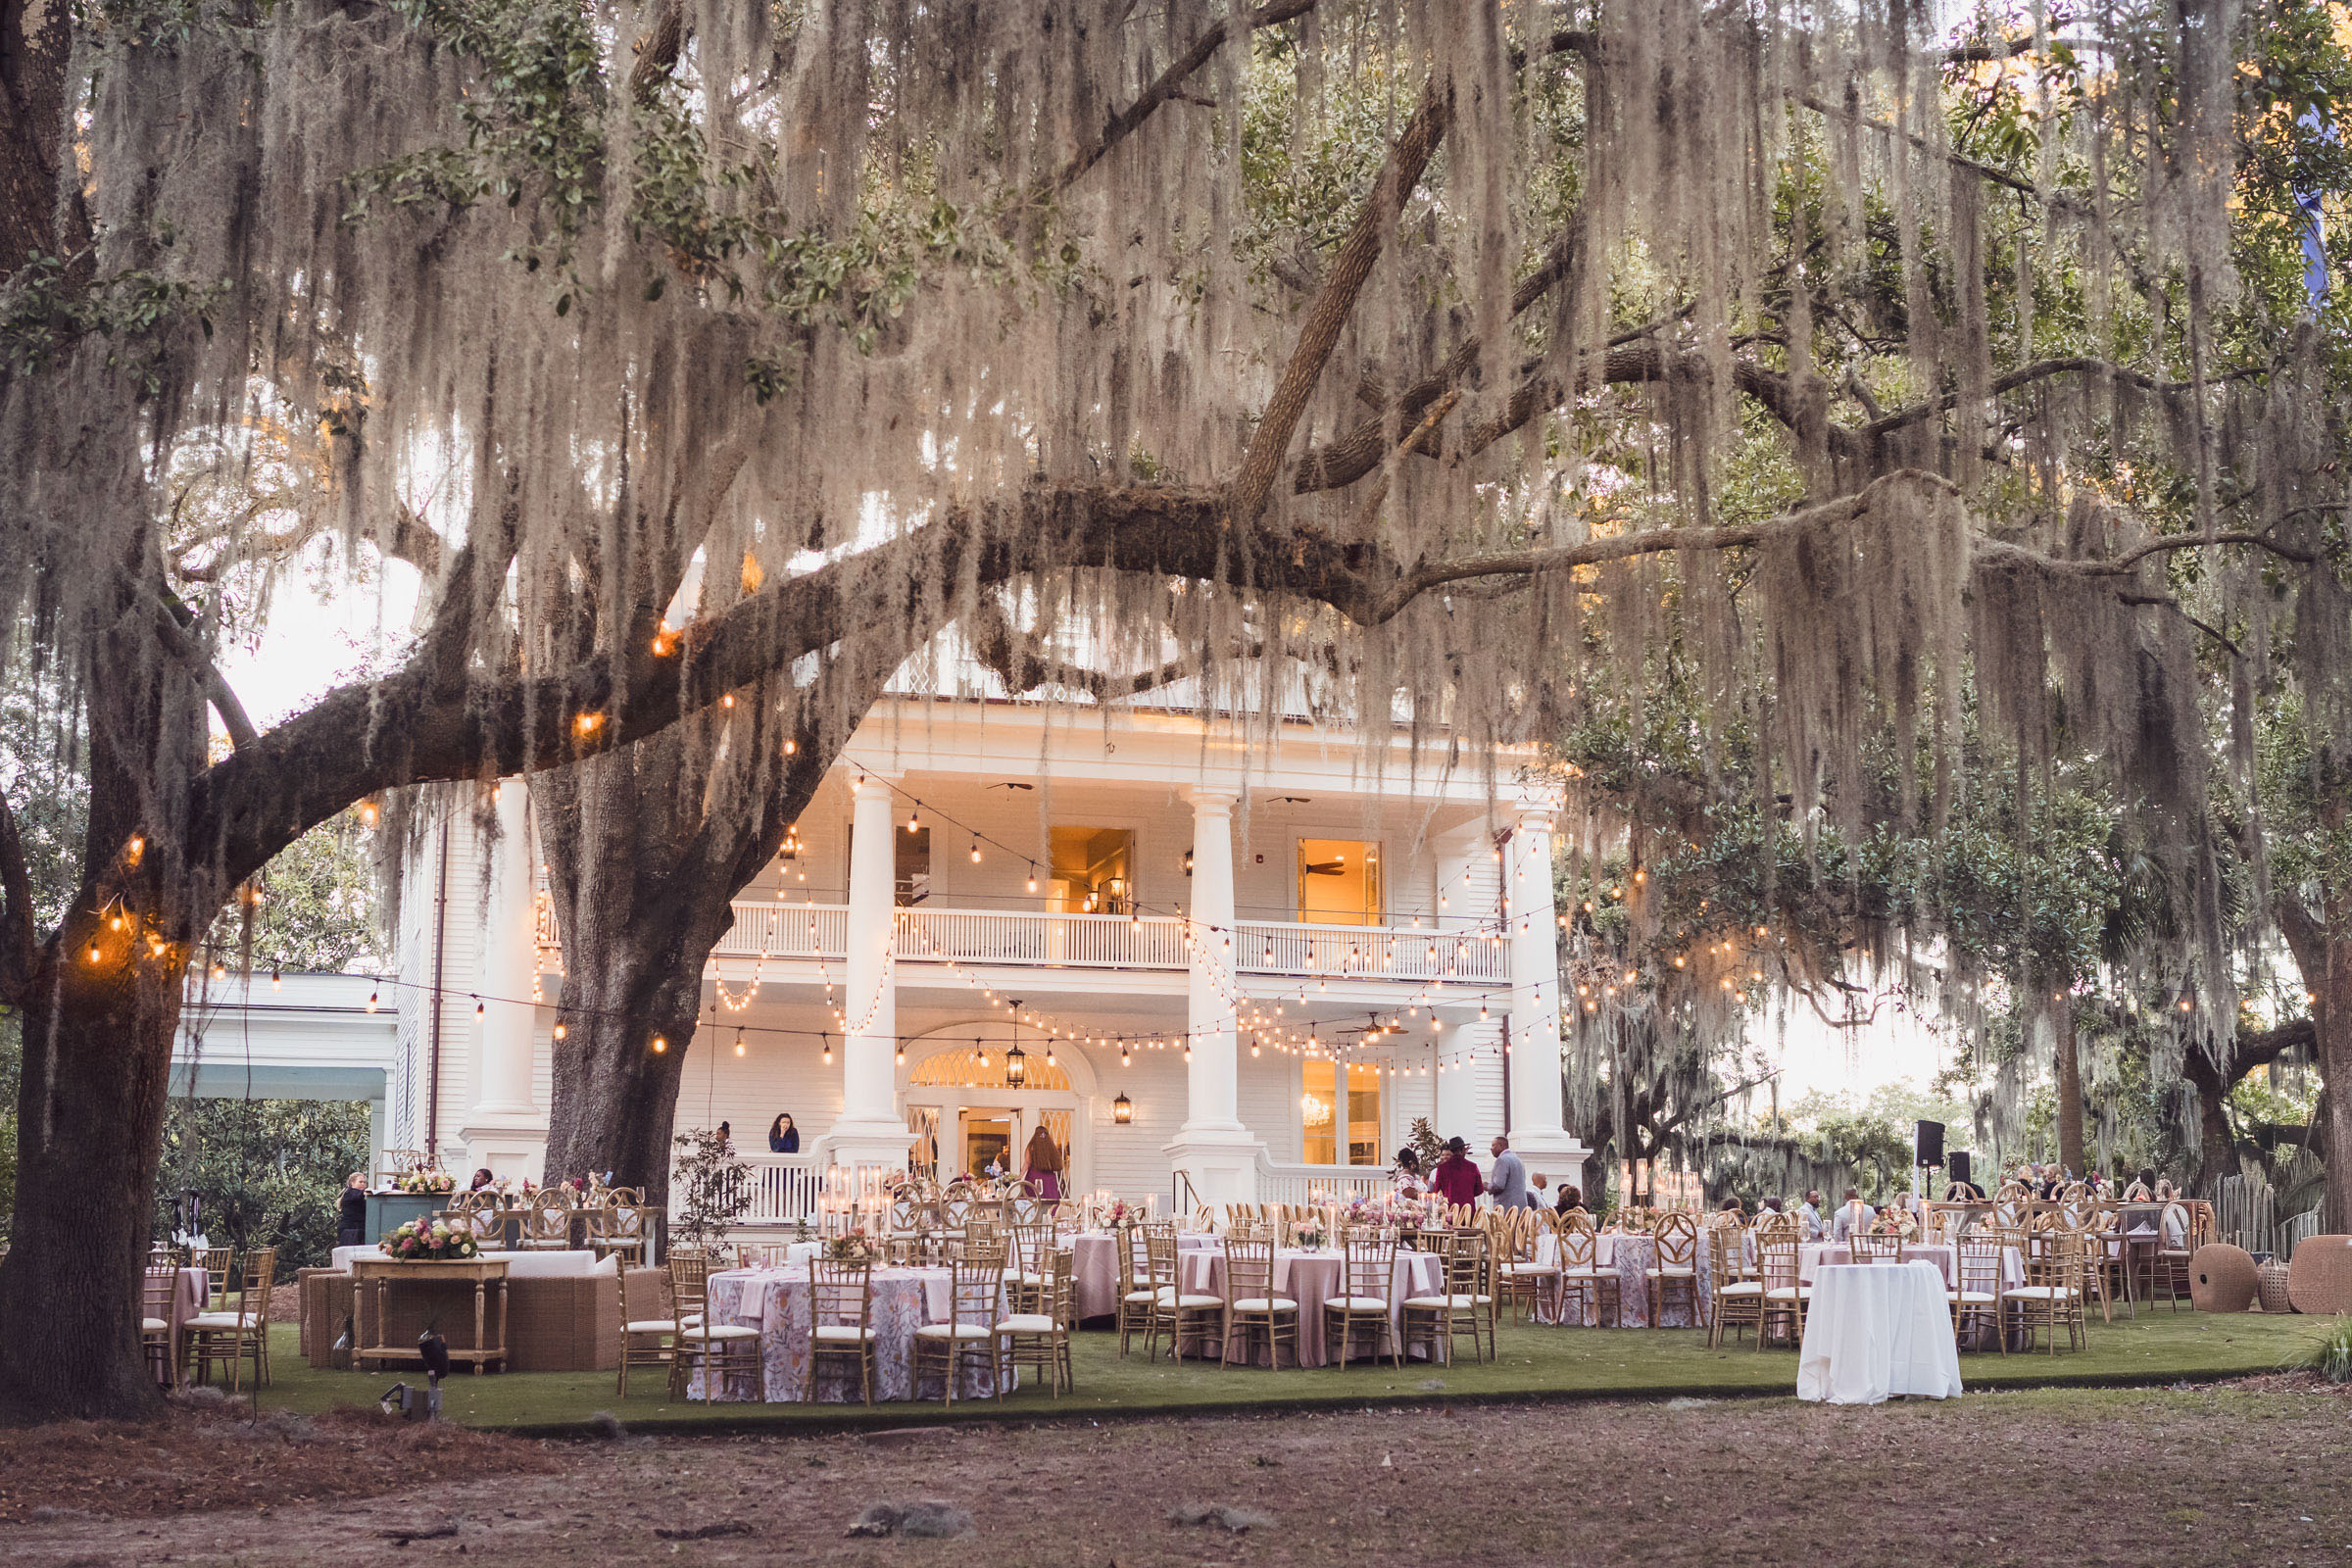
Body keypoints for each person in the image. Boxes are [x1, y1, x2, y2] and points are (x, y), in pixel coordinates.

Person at [1431, 1137, 1483, 1208]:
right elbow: (1479, 1190)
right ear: (1461, 1150)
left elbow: (1437, 1189)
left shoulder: (1442, 1168)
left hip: (1450, 1209)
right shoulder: (1473, 1167)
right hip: (1468, 1209)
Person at [1023, 1124, 1064, 1202]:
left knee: (1033, 1201)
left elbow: (1027, 1163)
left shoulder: (1031, 1147)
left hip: (1034, 1177)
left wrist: (1020, 1176)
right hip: (1049, 1178)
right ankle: (1051, 1214)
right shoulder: (1051, 1147)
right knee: (1050, 1200)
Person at [1487, 1135, 1530, 1209]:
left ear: (1501, 1146)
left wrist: (1487, 1186)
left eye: (1493, 1145)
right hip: (1520, 1207)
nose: (1491, 1148)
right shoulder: (1518, 1160)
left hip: (1506, 1208)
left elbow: (1499, 1185)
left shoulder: (1501, 1160)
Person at [336, 1172, 368, 1249]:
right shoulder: (350, 1193)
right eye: (360, 1182)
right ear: (352, 1183)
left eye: (364, 1182)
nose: (363, 1184)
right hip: (349, 1230)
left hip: (355, 1229)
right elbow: (357, 1195)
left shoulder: (359, 1194)